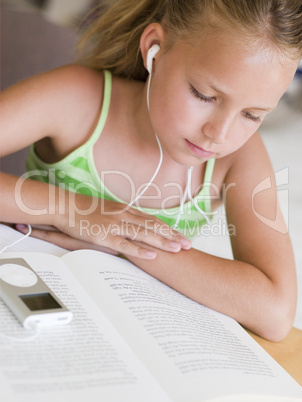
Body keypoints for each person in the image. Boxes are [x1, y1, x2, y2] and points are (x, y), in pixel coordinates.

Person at [1, 0, 301, 341]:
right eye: (203, 95)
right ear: (154, 50)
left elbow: (275, 312)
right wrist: (72, 210)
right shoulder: (77, 99)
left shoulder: (239, 157)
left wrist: (121, 241)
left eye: (252, 115)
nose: (219, 134)